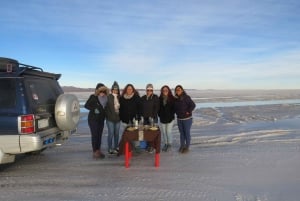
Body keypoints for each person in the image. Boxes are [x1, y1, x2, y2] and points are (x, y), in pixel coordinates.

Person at [84, 83, 108, 159]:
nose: (102, 92)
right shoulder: (93, 97)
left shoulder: (106, 98)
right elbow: (86, 105)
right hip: (93, 119)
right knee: (95, 135)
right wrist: (94, 109)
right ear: (97, 90)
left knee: (99, 135)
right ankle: (95, 151)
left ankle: (98, 150)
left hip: (101, 119)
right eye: (100, 90)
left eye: (103, 91)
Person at [174, 85, 196, 154]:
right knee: (181, 133)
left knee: (186, 133)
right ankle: (182, 146)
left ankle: (187, 147)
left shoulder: (186, 97)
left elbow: (193, 105)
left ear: (182, 90)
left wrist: (188, 111)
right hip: (179, 119)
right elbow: (174, 108)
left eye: (179, 89)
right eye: (177, 90)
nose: (178, 91)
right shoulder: (176, 99)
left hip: (187, 119)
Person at [140, 83, 159, 153]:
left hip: (152, 118)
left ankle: (151, 146)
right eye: (148, 90)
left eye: (151, 90)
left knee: (152, 133)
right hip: (144, 118)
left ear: (152, 90)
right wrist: (141, 116)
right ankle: (144, 146)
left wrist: (153, 117)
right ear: (146, 90)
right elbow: (140, 107)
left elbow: (156, 108)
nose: (149, 91)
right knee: (144, 132)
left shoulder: (155, 97)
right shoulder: (143, 98)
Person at [105, 81, 121, 155]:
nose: (115, 90)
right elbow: (104, 107)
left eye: (117, 89)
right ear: (112, 90)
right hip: (110, 119)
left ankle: (116, 147)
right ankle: (110, 148)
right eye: (114, 89)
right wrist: (107, 115)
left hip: (117, 119)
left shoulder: (119, 97)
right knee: (111, 133)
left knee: (117, 134)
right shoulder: (108, 97)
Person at [158, 85, 175, 152]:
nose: (165, 91)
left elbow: (174, 109)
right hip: (162, 118)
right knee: (164, 132)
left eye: (166, 90)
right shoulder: (160, 99)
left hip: (170, 118)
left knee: (168, 132)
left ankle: (169, 143)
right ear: (162, 91)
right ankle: (165, 143)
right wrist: (159, 115)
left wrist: (171, 115)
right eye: (164, 90)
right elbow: (158, 109)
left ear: (168, 91)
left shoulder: (172, 98)